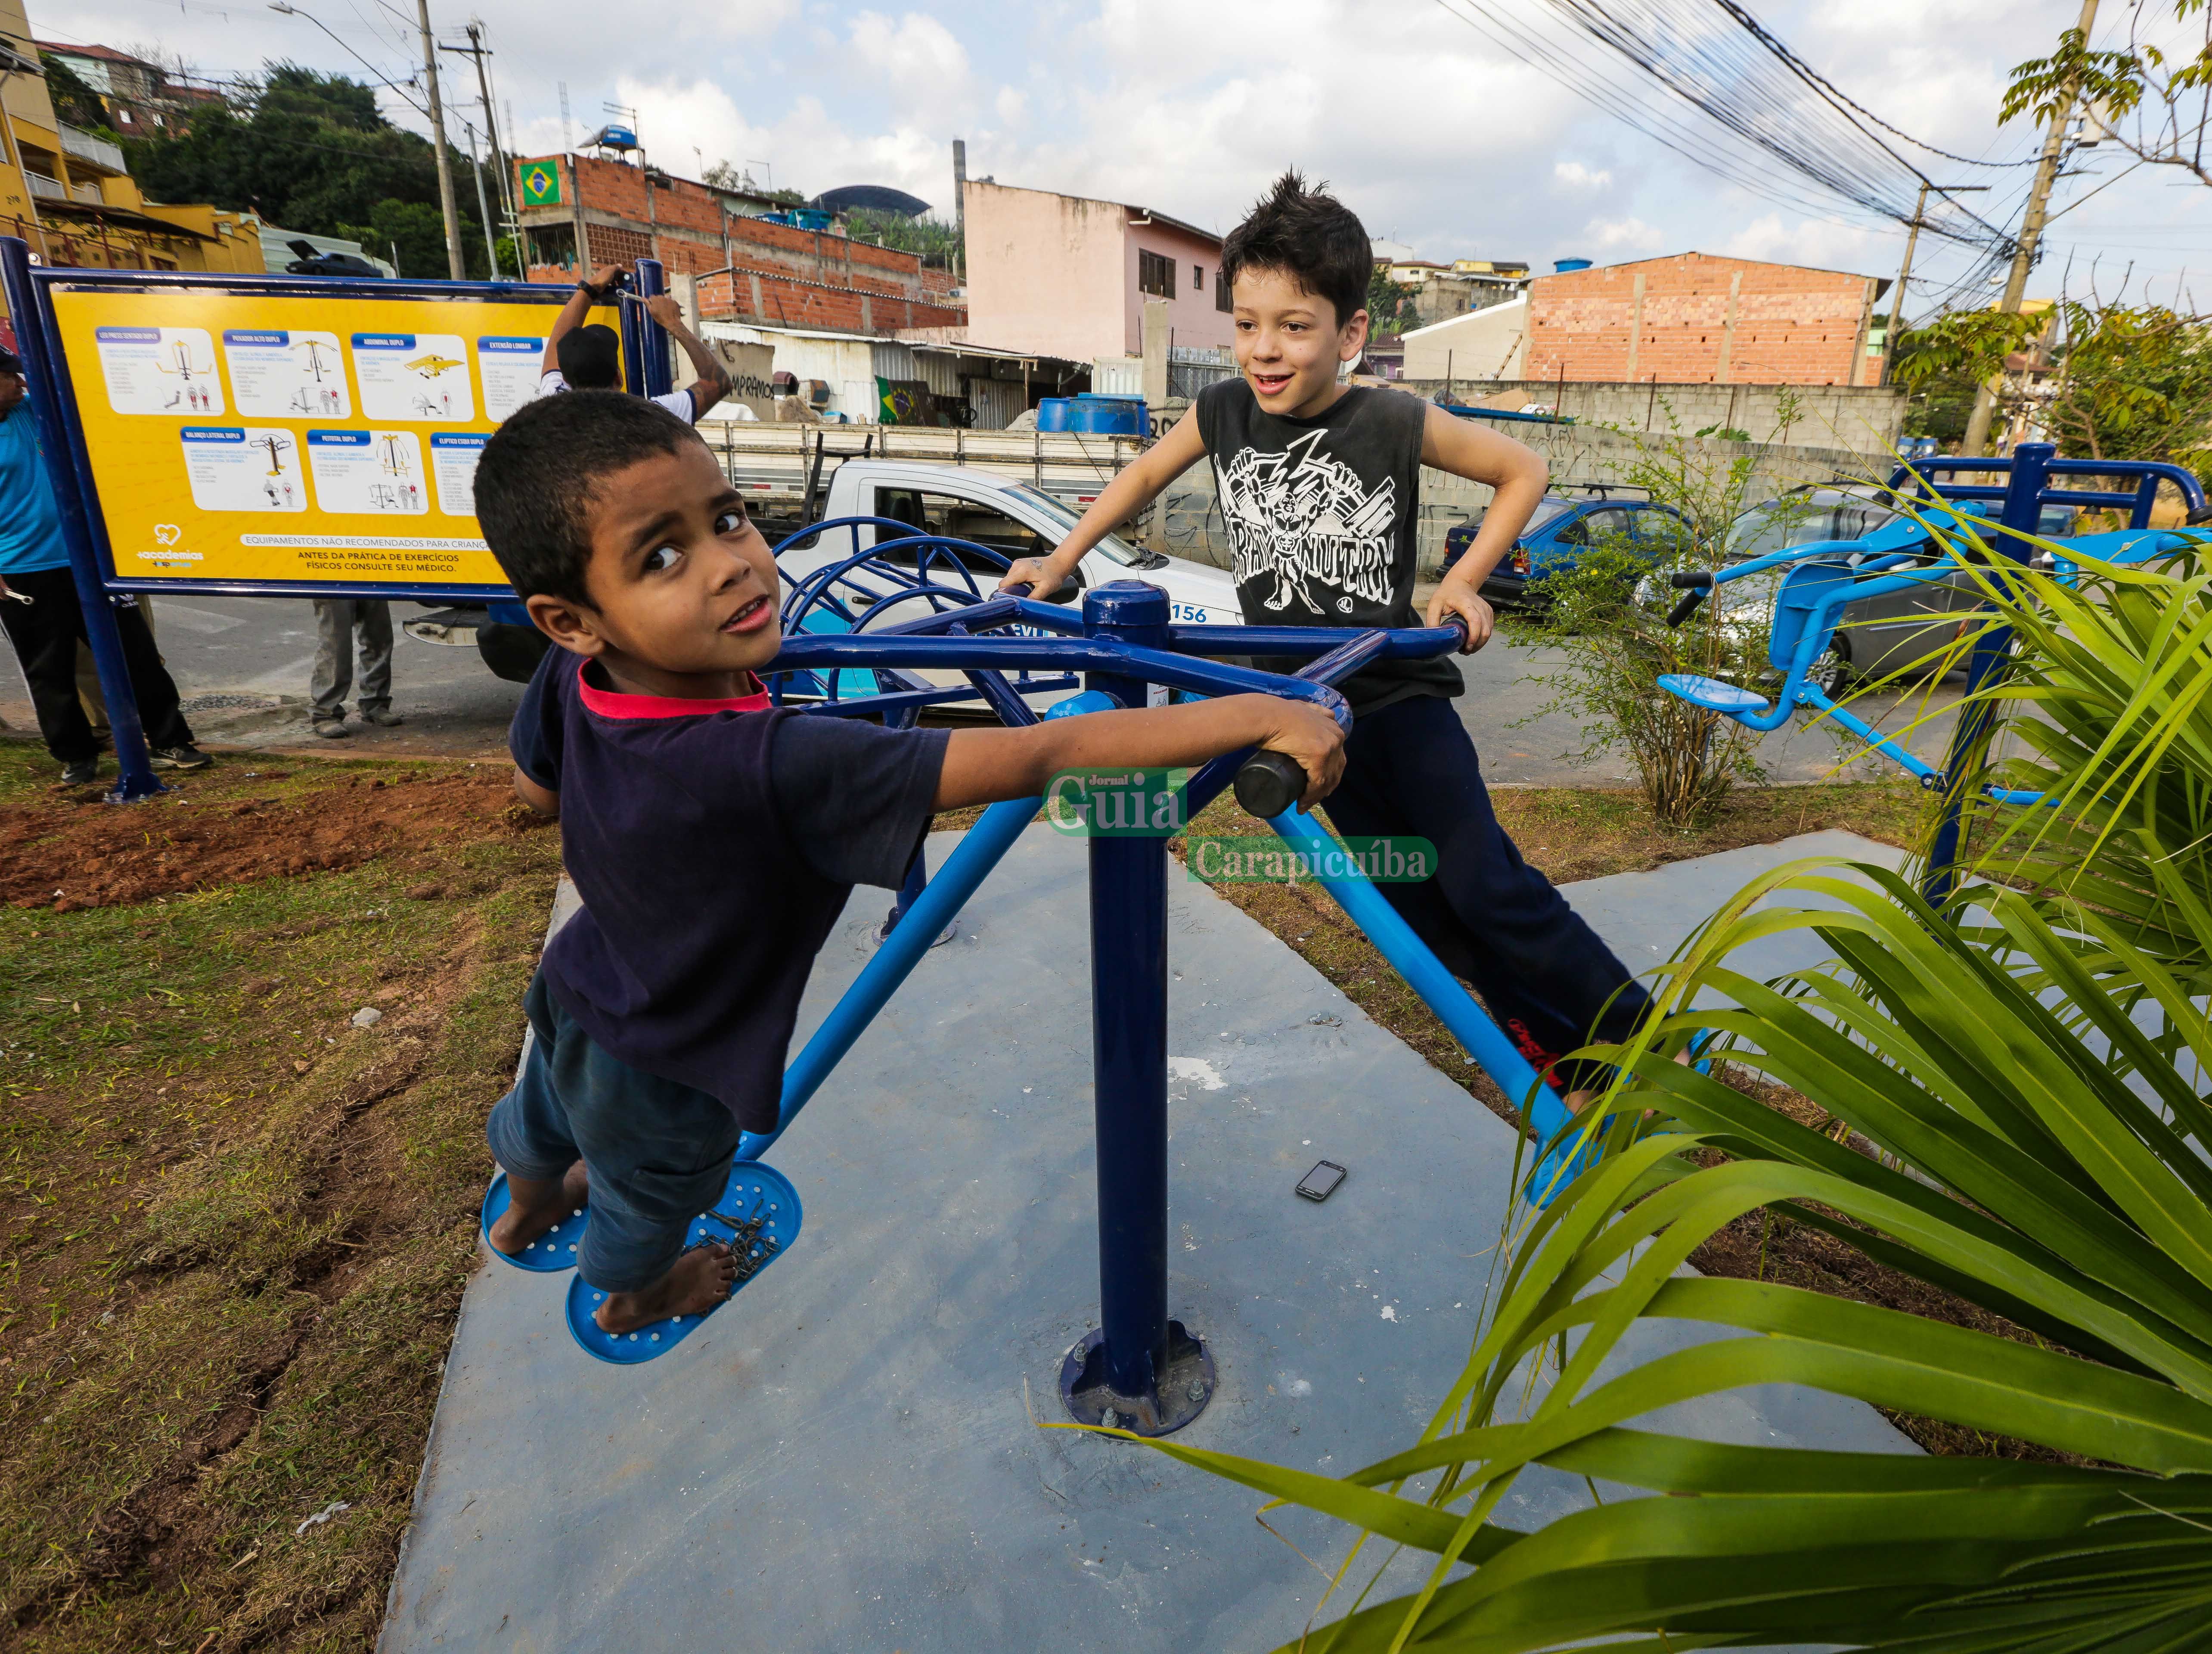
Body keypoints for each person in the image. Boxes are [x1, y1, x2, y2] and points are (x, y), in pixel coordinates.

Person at [471, 391, 1344, 1333]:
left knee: (547, 1113)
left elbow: (538, 793)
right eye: (664, 556)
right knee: (653, 1189)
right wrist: (1269, 712)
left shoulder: (579, 675)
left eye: (727, 518)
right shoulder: (768, 764)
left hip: (579, 979)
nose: (731, 565)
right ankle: (638, 1293)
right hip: (675, 1057)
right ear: (571, 618)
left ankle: (524, 1211)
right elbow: (1046, 753)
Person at [1003, 172, 1652, 1110]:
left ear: (1351, 335)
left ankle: (1651, 1041)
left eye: (1295, 326)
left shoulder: (1387, 419)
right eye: (1247, 323)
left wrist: (1462, 580)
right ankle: (1573, 1063)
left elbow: (1523, 467)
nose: (1266, 349)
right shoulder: (1224, 411)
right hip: (1303, 711)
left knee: (1486, 884)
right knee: (1419, 906)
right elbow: (1142, 476)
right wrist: (1059, 561)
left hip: (1395, 693)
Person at [0, 346, 211, 783]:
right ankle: (76, 756)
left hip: (92, 562)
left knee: (136, 654)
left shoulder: (32, 410)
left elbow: (71, 378)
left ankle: (171, 740)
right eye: (9, 376)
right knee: (50, 670)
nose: (20, 382)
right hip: (22, 570)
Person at [539, 263, 730, 422]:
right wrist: (673, 323)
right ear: (618, 379)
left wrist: (590, 288)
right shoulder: (645, 418)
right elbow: (718, 383)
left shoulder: (552, 410)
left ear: (565, 379)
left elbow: (557, 343)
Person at [307, 596, 395, 737]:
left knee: (379, 637)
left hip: (371, 576)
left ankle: (374, 703)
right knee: (336, 644)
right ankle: (326, 714)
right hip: (334, 578)